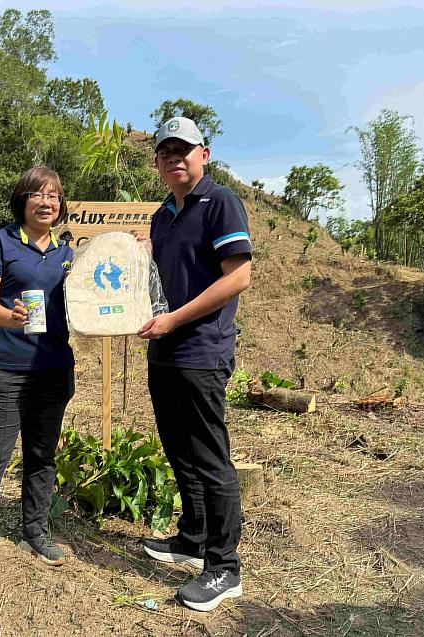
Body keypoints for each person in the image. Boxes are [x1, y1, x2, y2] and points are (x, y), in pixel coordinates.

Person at [136, 117, 253, 612]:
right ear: (159, 162)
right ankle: (191, 538)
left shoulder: (220, 202)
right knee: (179, 450)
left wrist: (175, 319)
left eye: (185, 150)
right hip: (163, 350)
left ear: (204, 154)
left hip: (202, 350)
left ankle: (224, 568)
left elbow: (239, 276)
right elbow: (156, 283)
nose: (175, 159)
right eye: (166, 152)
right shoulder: (163, 217)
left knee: (210, 458)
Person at [0, 166, 75, 597]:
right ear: (22, 201)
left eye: (53, 196)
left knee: (42, 456)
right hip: (2, 368)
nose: (46, 203)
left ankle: (35, 531)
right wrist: (9, 317)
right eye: (36, 195)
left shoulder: (67, 254)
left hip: (53, 368)